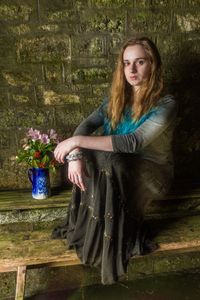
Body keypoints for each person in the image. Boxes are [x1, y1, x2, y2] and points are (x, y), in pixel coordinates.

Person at [52, 37, 177, 284]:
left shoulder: (166, 104)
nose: (131, 70)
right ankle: (95, 235)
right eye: (126, 63)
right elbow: (87, 125)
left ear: (152, 64)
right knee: (98, 154)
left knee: (104, 156)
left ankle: (114, 240)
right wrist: (76, 154)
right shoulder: (116, 100)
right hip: (119, 168)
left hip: (152, 175)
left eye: (139, 62)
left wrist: (74, 143)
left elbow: (132, 143)